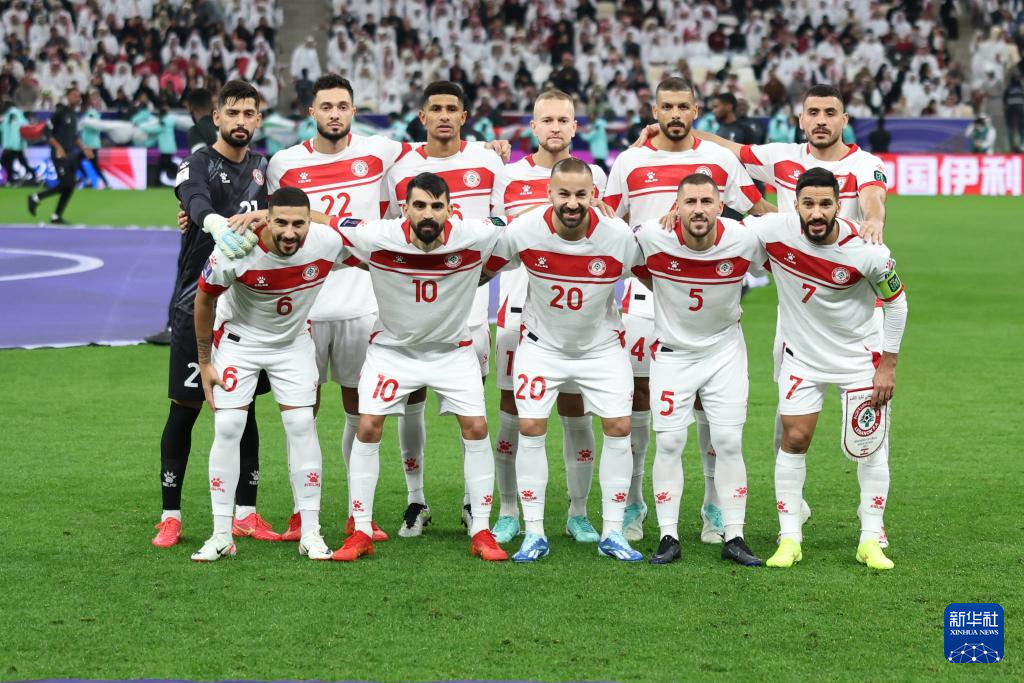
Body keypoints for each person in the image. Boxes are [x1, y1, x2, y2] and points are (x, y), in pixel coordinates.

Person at [690, 83, 892, 546]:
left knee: (869, 421)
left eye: (830, 112)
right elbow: (730, 149)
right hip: (796, 312)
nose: (821, 120)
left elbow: (873, 196)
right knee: (790, 414)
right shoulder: (780, 156)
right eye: (813, 112)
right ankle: (792, 503)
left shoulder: (863, 164)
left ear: (844, 120)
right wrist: (675, 133)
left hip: (853, 313)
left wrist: (875, 220)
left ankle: (872, 517)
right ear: (801, 119)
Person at [604, 77, 771, 545]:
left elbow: (759, 211)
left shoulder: (719, 160)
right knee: (640, 403)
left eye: (683, 106)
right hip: (644, 297)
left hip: (705, 298)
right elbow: (609, 222)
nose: (675, 114)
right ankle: (635, 501)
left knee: (709, 408)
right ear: (654, 111)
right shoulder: (631, 161)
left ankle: (714, 506)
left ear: (695, 111)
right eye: (667, 107)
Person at [328, 173, 507, 563]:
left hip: (452, 350)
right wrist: (257, 217)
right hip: (392, 351)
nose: (428, 214)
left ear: (450, 210)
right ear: (404, 208)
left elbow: (516, 225)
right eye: (420, 205)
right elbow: (326, 222)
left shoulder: (474, 233)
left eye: (437, 206)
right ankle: (361, 530)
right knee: (367, 426)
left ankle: (481, 530)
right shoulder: (377, 234)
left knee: (476, 428)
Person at [267, 73, 411, 542]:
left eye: (342, 106)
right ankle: (300, 511)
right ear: (312, 112)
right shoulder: (284, 163)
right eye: (326, 106)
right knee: (301, 414)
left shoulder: (380, 151)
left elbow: (435, 151)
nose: (334, 114)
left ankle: (356, 512)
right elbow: (274, 224)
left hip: (361, 301)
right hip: (304, 306)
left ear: (353, 111)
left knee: (360, 410)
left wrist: (489, 147)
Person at [482, 158, 645, 563]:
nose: (572, 203)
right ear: (549, 194)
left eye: (581, 195)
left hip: (601, 348)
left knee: (620, 427)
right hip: (541, 347)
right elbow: (482, 269)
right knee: (530, 427)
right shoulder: (525, 229)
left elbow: (654, 275)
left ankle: (612, 532)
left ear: (594, 195)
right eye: (564, 194)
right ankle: (534, 532)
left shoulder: (617, 235)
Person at [745, 168, 908, 570]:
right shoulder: (773, 231)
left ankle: (870, 538)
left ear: (838, 205)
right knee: (794, 438)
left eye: (825, 204)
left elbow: (897, 304)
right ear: (795, 204)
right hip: (803, 359)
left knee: (869, 446)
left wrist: (887, 366)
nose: (816, 213)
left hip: (859, 361)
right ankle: (790, 538)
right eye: (808, 204)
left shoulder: (868, 250)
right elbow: (719, 231)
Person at [191, 187, 358, 561]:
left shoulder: (327, 242)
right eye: (280, 222)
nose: (289, 232)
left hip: (293, 344)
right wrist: (205, 362)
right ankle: (221, 534)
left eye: (299, 224)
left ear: (310, 222)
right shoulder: (236, 249)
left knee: (301, 425)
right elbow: (203, 300)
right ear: (266, 220)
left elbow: (374, 250)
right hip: (239, 343)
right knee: (228, 427)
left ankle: (311, 533)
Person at [152, 80, 276, 549]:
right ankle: (170, 515)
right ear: (217, 117)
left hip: (246, 309)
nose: (241, 121)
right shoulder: (199, 162)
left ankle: (246, 513)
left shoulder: (265, 169)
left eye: (249, 113)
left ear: (258, 119)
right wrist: (213, 223)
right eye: (233, 113)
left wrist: (262, 219)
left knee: (243, 410)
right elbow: (194, 199)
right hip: (197, 304)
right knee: (184, 408)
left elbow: (289, 217)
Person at [384, 81, 506, 535]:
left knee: (470, 409)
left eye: (452, 109)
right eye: (435, 108)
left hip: (468, 309)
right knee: (410, 400)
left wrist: (477, 274)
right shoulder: (400, 166)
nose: (443, 116)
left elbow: (502, 226)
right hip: (411, 307)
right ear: (422, 116)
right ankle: (415, 500)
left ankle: (473, 502)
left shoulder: (488, 161)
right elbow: (390, 227)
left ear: (464, 116)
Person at [488, 89, 607, 544]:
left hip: (577, 317)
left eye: (563, 120)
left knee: (576, 411)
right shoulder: (507, 176)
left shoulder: (594, 176)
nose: (555, 127)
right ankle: (509, 510)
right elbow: (493, 235)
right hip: (517, 312)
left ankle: (578, 512)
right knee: (511, 412)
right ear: (533, 127)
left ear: (575, 127)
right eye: (547, 120)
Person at [632, 173, 764, 567]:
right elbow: (614, 247)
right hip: (673, 356)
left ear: (721, 206)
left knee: (728, 441)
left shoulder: (744, 238)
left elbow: (786, 251)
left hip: (725, 354)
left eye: (707, 201)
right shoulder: (652, 237)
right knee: (670, 443)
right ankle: (668, 535)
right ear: (676, 207)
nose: (699, 210)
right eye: (690, 202)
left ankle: (734, 535)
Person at [28, 87, 91, 224]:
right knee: (66, 184)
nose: (77, 98)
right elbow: (47, 132)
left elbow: (75, 136)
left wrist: (84, 149)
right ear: (68, 97)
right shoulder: (60, 113)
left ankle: (56, 216)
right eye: (74, 96)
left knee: (70, 186)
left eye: (79, 96)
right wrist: (58, 147)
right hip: (59, 154)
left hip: (71, 155)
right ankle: (35, 197)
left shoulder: (74, 116)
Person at [0, 98, 37, 185]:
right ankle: (32, 175)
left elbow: (4, 128)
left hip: (11, 144)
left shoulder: (10, 114)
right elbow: (24, 125)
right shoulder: (16, 114)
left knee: (5, 161)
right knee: (21, 161)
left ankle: (13, 177)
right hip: (17, 144)